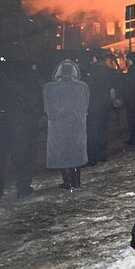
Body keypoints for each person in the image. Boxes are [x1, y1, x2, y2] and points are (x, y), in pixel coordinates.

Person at [0, 57, 42, 199]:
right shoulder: (27, 79)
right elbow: (34, 101)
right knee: (23, 156)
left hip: (0, 122)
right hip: (21, 123)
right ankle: (23, 188)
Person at [43, 59, 89, 190]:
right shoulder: (82, 86)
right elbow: (86, 106)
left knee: (61, 153)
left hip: (59, 126)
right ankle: (76, 181)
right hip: (77, 125)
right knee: (76, 152)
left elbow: (48, 109)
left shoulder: (49, 88)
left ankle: (67, 181)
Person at [86, 52, 119, 165]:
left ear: (95, 58)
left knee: (92, 131)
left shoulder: (91, 71)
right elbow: (112, 89)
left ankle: (92, 157)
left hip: (93, 105)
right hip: (105, 105)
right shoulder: (108, 72)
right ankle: (102, 155)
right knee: (102, 130)